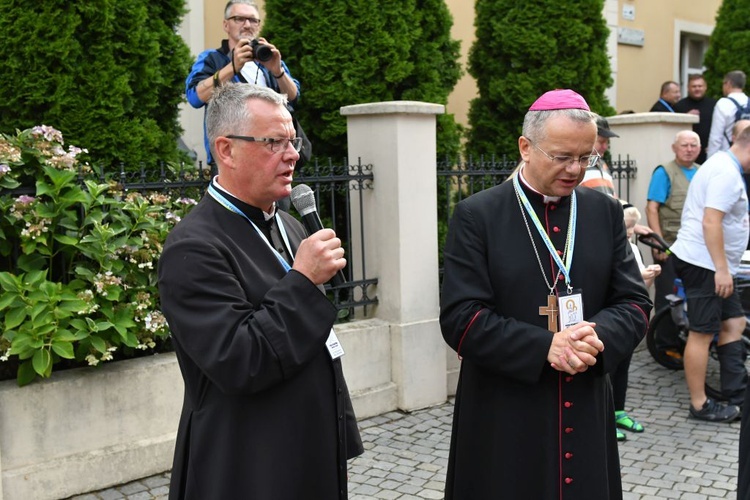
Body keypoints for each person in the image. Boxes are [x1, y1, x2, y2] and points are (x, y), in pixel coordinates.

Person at [440, 89, 652, 499]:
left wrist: (598, 336)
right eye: (562, 157)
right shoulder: (478, 215)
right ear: (526, 147)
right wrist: (544, 346)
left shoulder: (603, 211)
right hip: (505, 411)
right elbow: (461, 318)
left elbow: (635, 302)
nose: (575, 169)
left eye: (585, 156)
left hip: (586, 396)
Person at [158, 84, 363, 499]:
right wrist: (303, 281)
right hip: (248, 464)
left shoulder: (289, 225)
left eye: (293, 140)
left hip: (307, 446)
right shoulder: (193, 247)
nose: (293, 155)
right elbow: (239, 360)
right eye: (274, 142)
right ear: (226, 150)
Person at [669, 125, 750, 423]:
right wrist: (721, 269)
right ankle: (700, 404)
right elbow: (711, 222)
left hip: (713, 265)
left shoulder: (721, 165)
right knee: (702, 333)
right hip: (705, 265)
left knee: (734, 322)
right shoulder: (726, 173)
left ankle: (737, 394)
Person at [185, 0, 300, 166]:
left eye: (253, 20)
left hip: (274, 155)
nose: (247, 25)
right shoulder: (211, 58)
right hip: (231, 158)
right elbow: (195, 97)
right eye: (239, 19)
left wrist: (277, 71)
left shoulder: (268, 59)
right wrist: (232, 67)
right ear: (226, 25)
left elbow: (294, 99)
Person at [645, 130, 702, 314]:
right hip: (670, 244)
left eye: (693, 145)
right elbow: (651, 208)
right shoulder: (664, 172)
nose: (689, 149)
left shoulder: (702, 172)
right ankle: (664, 342)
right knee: (668, 295)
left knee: (696, 293)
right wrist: (659, 243)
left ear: (700, 149)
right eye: (684, 145)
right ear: (674, 148)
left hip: (696, 246)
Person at [674, 74, 717, 164]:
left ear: (705, 87)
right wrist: (685, 117)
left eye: (700, 86)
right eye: (694, 86)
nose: (697, 89)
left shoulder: (714, 105)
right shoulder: (679, 106)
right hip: (686, 152)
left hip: (708, 152)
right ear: (688, 88)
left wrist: (713, 146)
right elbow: (674, 128)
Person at [708, 70, 749, 158]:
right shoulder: (748, 102)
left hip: (729, 155)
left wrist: (710, 159)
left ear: (729, 84)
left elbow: (716, 137)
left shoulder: (723, 103)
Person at [579, 115, 618, 197]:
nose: (605, 147)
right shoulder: (578, 166)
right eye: (601, 142)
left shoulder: (603, 165)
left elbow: (611, 198)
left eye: (607, 142)